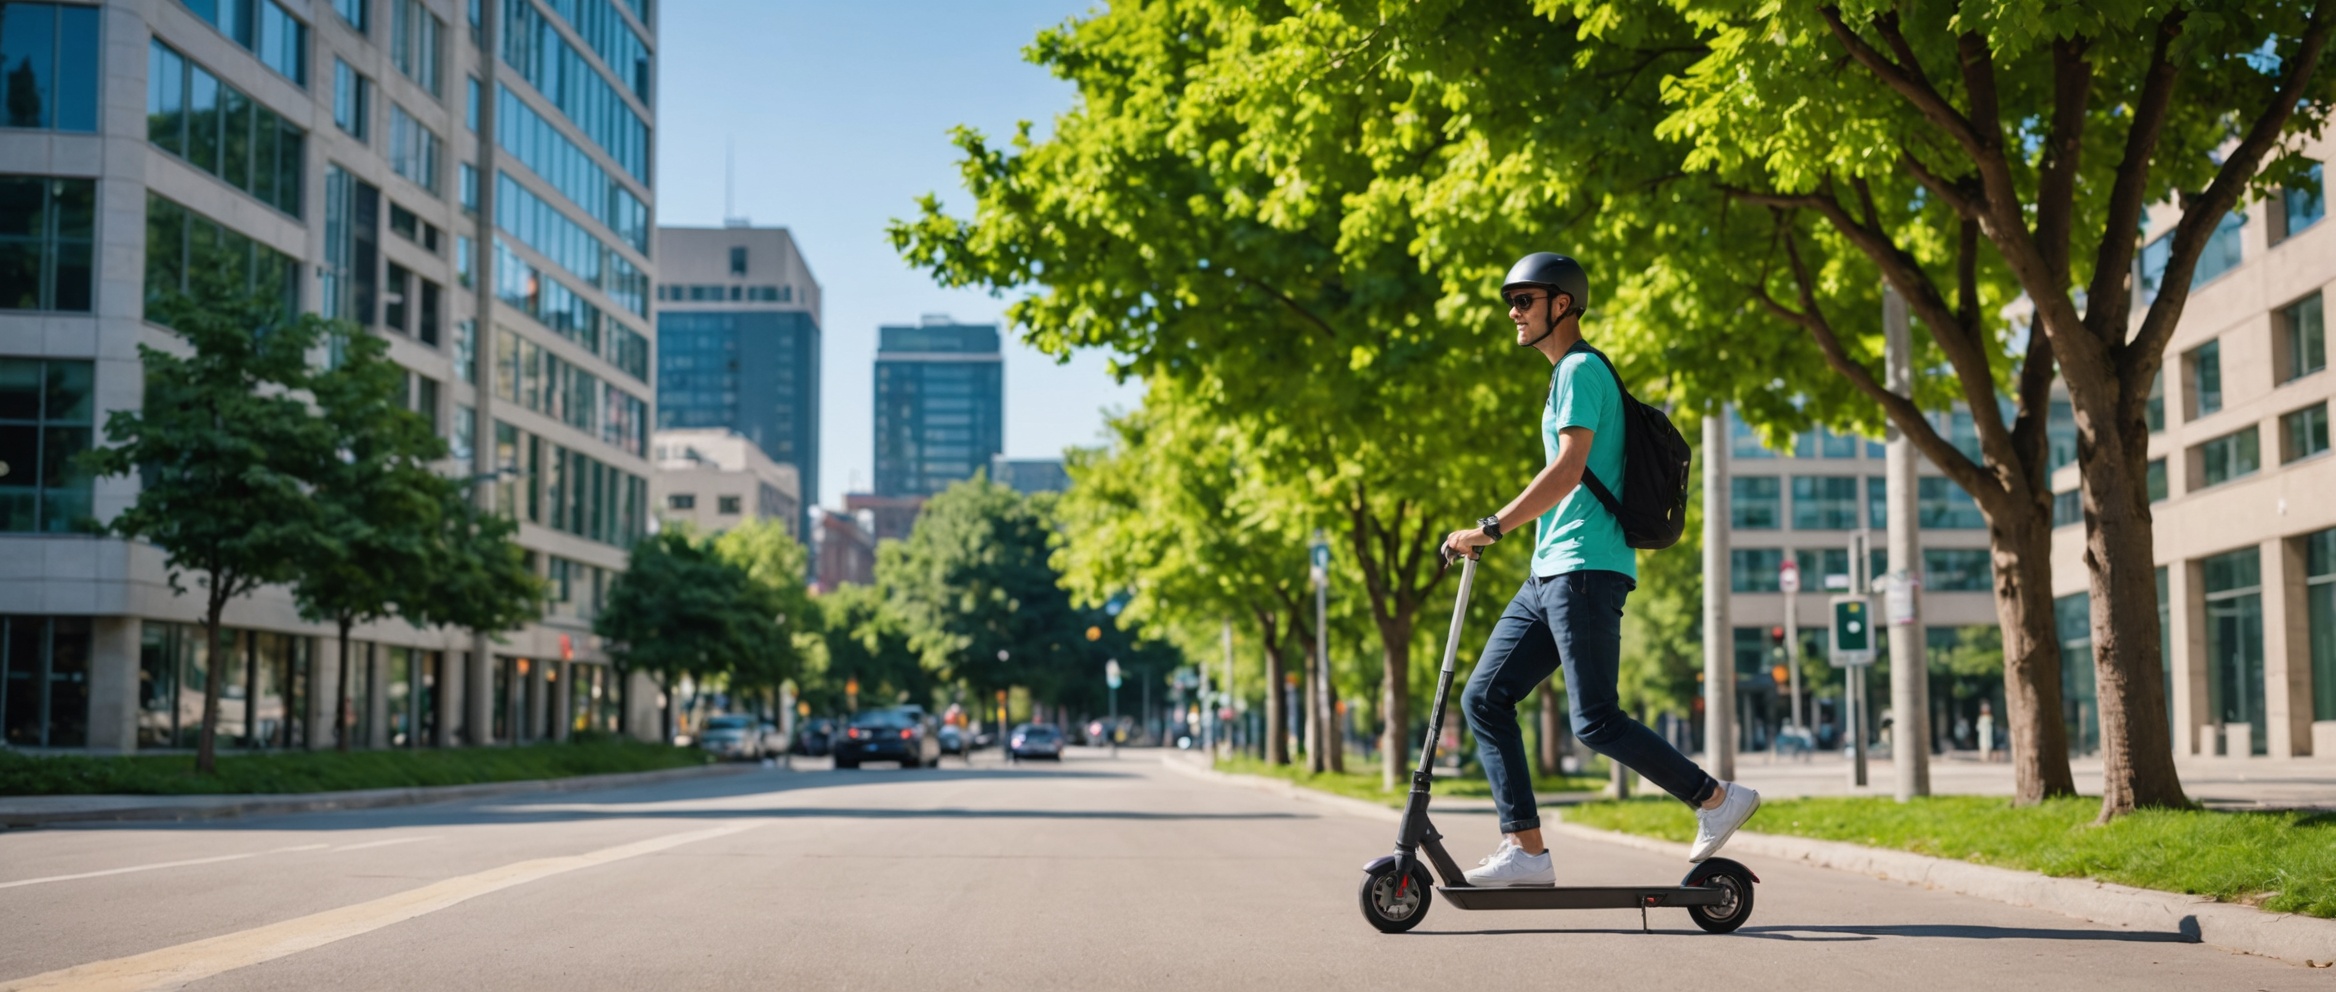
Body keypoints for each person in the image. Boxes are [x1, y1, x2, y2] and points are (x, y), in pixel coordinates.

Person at [1441, 252, 1760, 887]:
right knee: (1484, 696)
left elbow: (1566, 471)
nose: (1513, 312)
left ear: (1562, 304)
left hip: (1584, 568)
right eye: (1512, 301)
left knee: (1594, 718)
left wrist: (1491, 527)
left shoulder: (1580, 369)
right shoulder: (1566, 376)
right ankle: (1526, 853)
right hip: (1551, 570)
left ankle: (1717, 799)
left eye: (1524, 300)